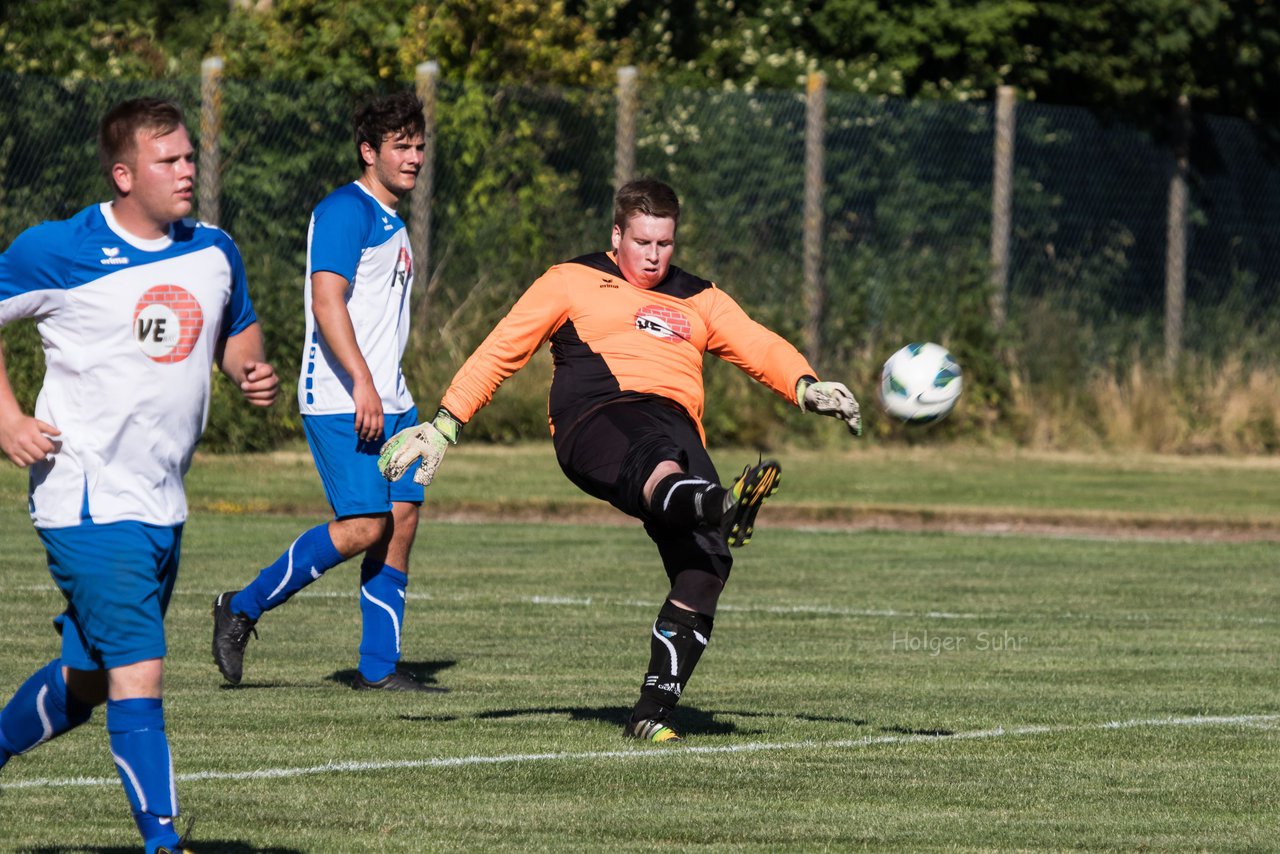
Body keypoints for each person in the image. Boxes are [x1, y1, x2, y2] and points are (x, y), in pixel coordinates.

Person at [379, 178, 861, 741]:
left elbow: (757, 343)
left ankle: (651, 714)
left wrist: (806, 386)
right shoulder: (571, 279)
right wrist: (447, 422)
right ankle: (720, 503)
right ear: (617, 234)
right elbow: (503, 346)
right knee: (655, 458)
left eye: (665, 244)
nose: (654, 256)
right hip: (596, 417)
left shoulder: (699, 296)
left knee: (707, 566)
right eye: (642, 243)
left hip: (676, 427)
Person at [0, 97, 279, 854]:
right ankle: (162, 842)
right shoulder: (60, 249)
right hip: (86, 500)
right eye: (170, 160)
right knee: (140, 670)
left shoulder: (215, 249)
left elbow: (235, 324)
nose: (188, 170)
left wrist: (247, 369)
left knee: (88, 684)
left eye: (190, 157)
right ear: (125, 175)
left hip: (162, 502)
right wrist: (8, 419)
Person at [211, 91, 441, 693]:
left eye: (419, 145)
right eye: (401, 147)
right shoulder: (346, 210)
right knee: (366, 524)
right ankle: (242, 606)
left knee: (402, 517)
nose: (414, 157)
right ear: (369, 152)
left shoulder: (394, 221)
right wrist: (363, 383)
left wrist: (390, 390)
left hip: (392, 399)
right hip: (342, 397)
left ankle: (379, 668)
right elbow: (326, 300)